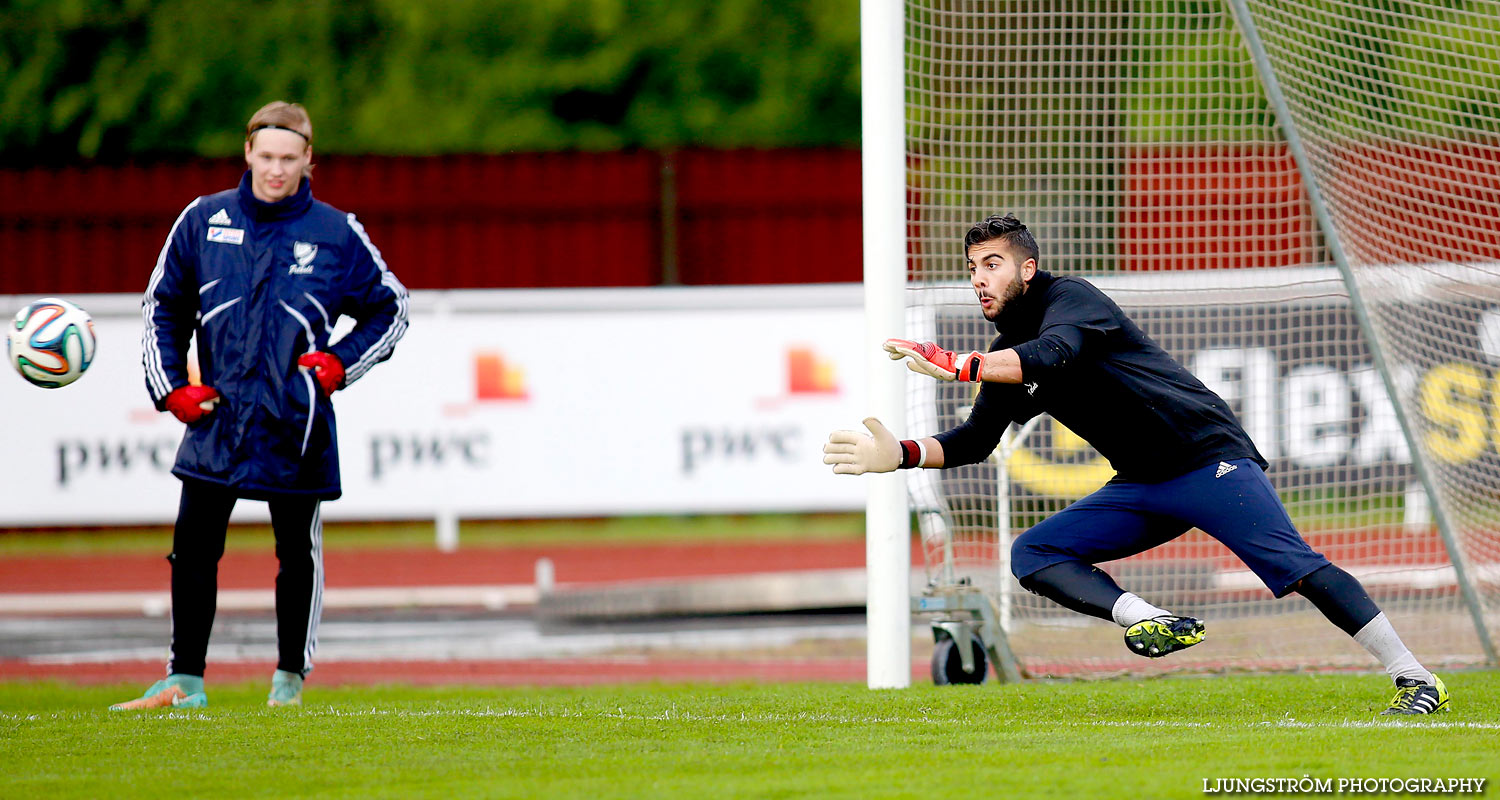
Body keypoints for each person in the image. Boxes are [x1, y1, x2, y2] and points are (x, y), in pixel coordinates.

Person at [823, 213, 1448, 715]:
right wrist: (899, 455)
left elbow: (1053, 353)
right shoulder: (1001, 352)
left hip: (1208, 461)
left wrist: (960, 364)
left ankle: (1416, 678)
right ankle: (1147, 620)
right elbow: (974, 441)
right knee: (1032, 554)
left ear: (1029, 269)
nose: (979, 279)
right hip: (1143, 483)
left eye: (993, 264)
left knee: (1298, 570)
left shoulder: (1070, 298)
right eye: (971, 269)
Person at [112, 101, 409, 710]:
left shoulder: (336, 232)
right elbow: (162, 307)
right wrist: (172, 388)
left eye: (289, 159)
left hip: (295, 424)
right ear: (247, 153)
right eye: (266, 157)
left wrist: (340, 364)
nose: (276, 170)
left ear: (309, 163)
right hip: (217, 417)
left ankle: (288, 682)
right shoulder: (202, 219)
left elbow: (392, 307)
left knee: (294, 553)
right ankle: (184, 682)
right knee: (193, 546)